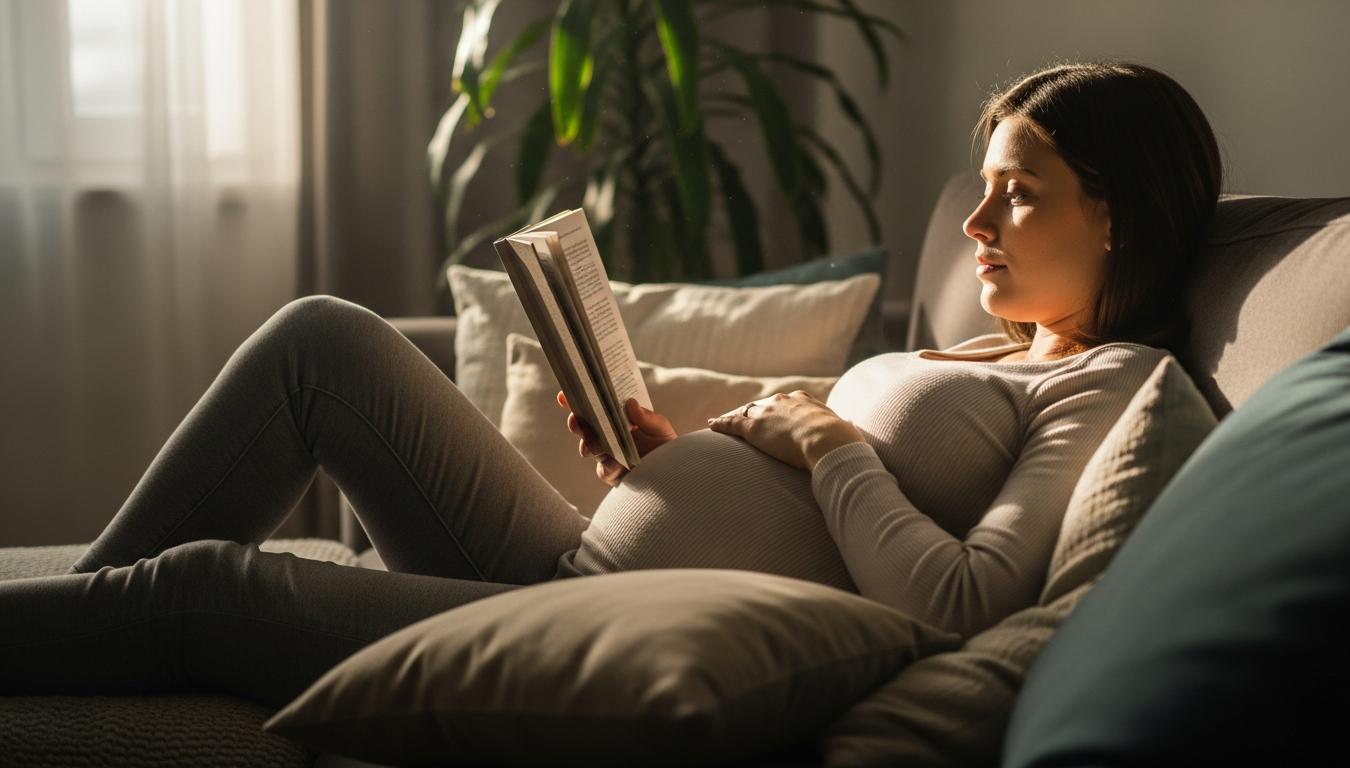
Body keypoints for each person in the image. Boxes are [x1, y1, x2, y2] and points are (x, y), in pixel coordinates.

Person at [0, 61, 1222, 711]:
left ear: (1114, 216)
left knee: (214, 597)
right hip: (579, 556)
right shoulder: (990, 352)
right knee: (324, 341)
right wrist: (665, 449)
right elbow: (800, 501)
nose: (977, 223)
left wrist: (823, 444)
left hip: (589, 622)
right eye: (985, 190)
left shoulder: (1116, 386)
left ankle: (101, 624)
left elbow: (962, 605)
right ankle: (89, 621)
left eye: (1020, 190)